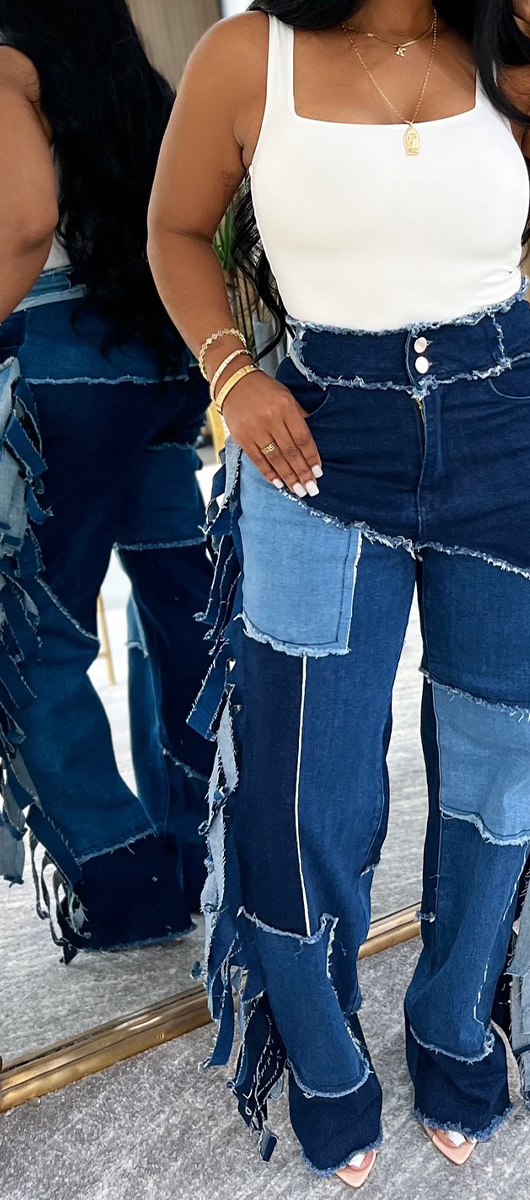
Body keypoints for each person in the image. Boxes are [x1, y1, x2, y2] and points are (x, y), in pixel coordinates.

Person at [147, 0, 530, 1184]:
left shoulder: (500, 55)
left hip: (515, 436)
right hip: (313, 443)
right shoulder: (248, 55)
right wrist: (232, 373)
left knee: (500, 776)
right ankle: (323, 1065)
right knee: (304, 789)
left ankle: (456, 1037)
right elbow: (175, 228)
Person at [0, 0, 216, 958]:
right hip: (156, 364)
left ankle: (128, 889)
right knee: (180, 612)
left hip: (60, 376)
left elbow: (23, 225)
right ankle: (208, 853)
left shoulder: (5, 69)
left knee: (28, 637)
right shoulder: (128, 82)